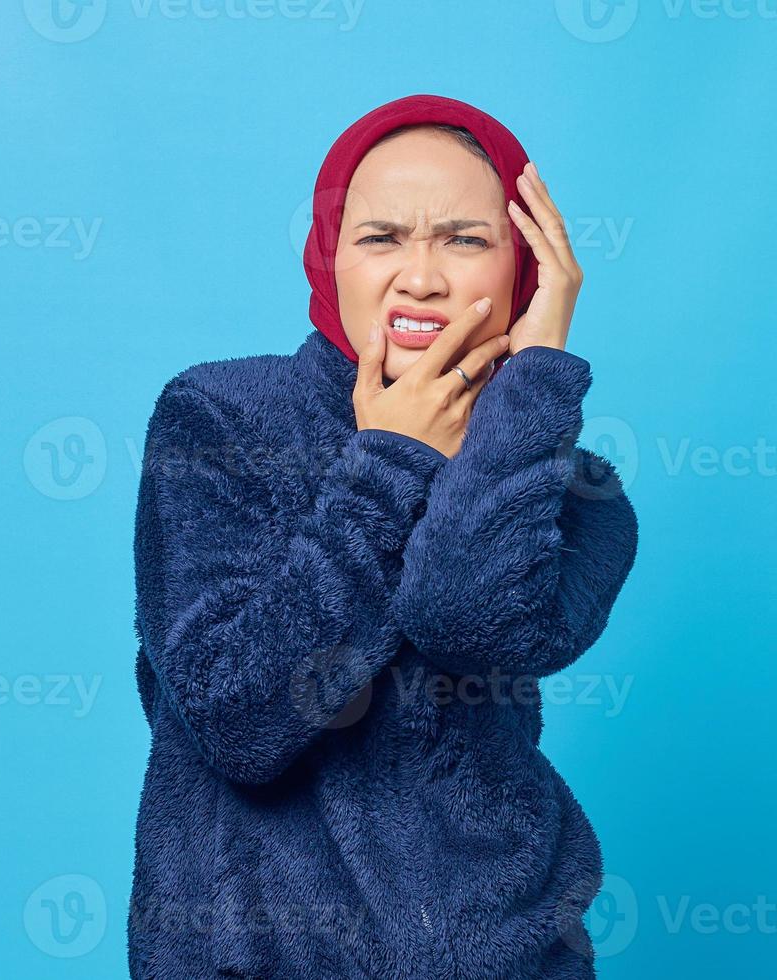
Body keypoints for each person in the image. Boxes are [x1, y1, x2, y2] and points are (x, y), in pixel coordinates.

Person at [127, 93, 640, 979]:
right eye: (382, 238)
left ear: (527, 270)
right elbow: (239, 720)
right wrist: (391, 461)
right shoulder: (219, 418)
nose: (423, 277)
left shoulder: (576, 492)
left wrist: (534, 390)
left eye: (466, 239)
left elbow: (468, 621)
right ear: (330, 258)